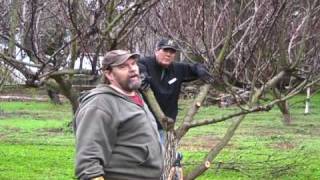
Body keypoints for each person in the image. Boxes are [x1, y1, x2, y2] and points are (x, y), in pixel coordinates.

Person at [73, 50, 163, 180]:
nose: (132, 69)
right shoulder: (100, 104)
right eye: (123, 66)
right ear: (109, 74)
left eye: (133, 64)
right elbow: (88, 165)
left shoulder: (135, 96)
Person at [139, 38, 212, 133]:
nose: (168, 54)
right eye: (165, 50)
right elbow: (136, 65)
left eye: (172, 52)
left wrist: (201, 70)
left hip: (166, 123)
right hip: (144, 122)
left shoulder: (177, 69)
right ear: (156, 51)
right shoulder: (145, 63)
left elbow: (195, 67)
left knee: (163, 147)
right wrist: (142, 74)